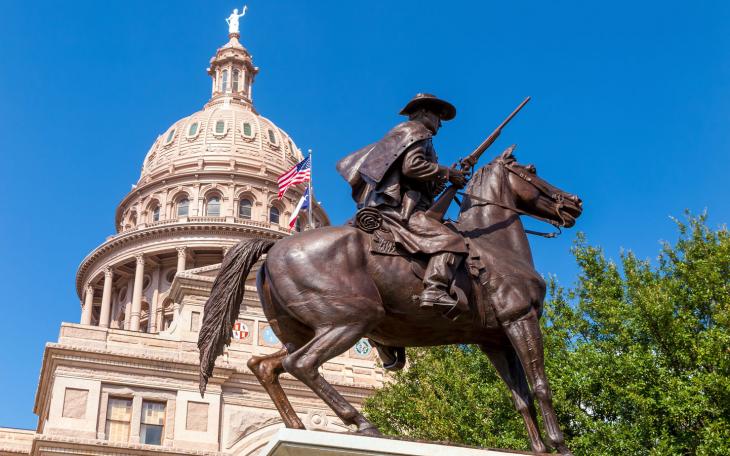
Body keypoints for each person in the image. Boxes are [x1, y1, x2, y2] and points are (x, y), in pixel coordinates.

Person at [337, 93, 468, 310]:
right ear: (424, 112)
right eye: (437, 116)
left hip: (406, 204)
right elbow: (412, 167)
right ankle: (435, 288)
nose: (440, 124)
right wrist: (446, 172)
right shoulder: (417, 132)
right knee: (452, 241)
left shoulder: (409, 134)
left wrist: (448, 178)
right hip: (399, 210)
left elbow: (419, 181)